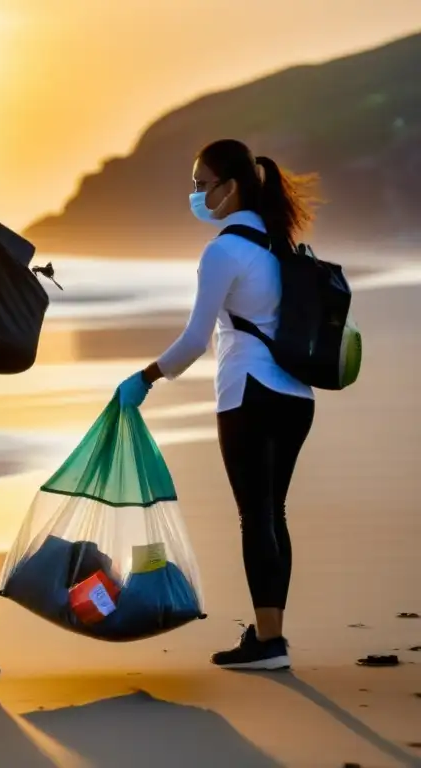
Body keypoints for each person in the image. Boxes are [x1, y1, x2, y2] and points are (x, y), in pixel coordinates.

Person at [115, 139, 318, 670]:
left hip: (249, 392)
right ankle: (270, 633)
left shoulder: (224, 250)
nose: (198, 194)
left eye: (203, 185)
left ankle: (270, 644)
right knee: (273, 512)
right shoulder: (279, 243)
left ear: (231, 188)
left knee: (256, 516)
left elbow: (193, 341)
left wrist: (144, 378)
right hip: (297, 396)